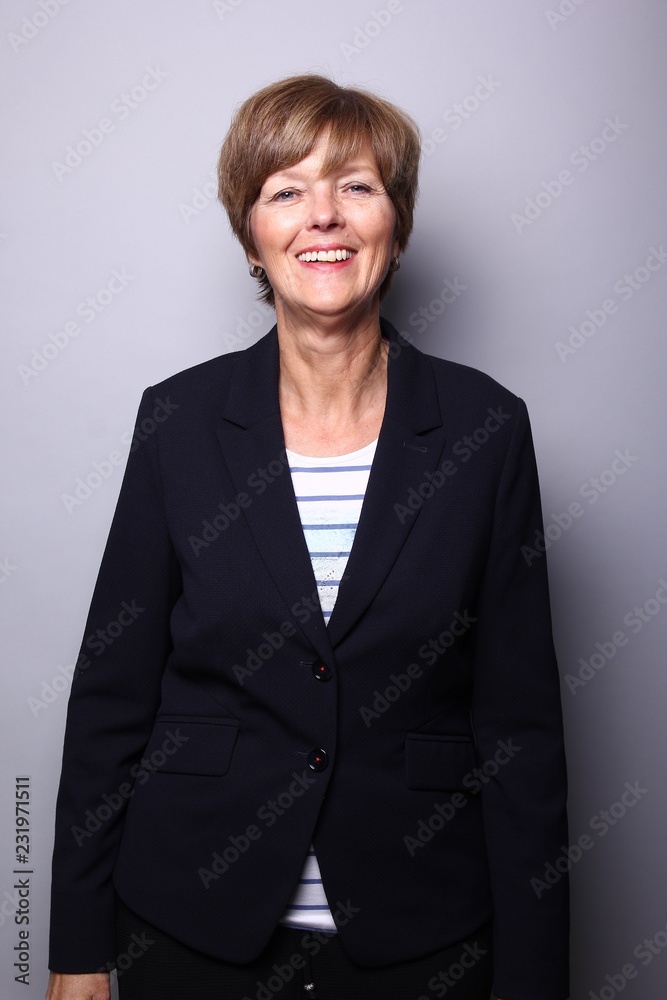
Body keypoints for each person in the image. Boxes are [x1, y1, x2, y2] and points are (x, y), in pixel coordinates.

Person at [46, 75, 569, 1000]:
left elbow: (520, 729)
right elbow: (109, 701)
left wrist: (533, 977)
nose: (322, 216)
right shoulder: (178, 423)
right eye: (286, 191)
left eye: (355, 186)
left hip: (422, 937)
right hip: (190, 927)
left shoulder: (486, 428)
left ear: (396, 224)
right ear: (251, 234)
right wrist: (76, 946)